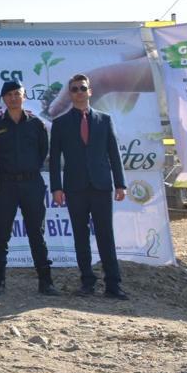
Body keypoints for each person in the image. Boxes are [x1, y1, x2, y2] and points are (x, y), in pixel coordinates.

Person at [49, 73, 129, 300]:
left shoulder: (105, 120)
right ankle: (87, 282)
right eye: (74, 89)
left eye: (82, 88)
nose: (79, 92)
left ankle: (113, 284)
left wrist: (120, 183)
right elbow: (54, 160)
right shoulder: (60, 124)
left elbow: (114, 154)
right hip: (75, 188)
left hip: (101, 186)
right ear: (70, 94)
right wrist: (56, 188)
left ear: (90, 91)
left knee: (106, 235)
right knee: (80, 236)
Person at [0, 80, 59, 297]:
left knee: (37, 233)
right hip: (4, 186)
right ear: (4, 99)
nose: (13, 98)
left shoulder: (36, 125)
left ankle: (45, 282)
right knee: (1, 235)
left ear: (24, 96)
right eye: (9, 94)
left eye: (17, 94)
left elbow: (43, 152)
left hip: (31, 184)